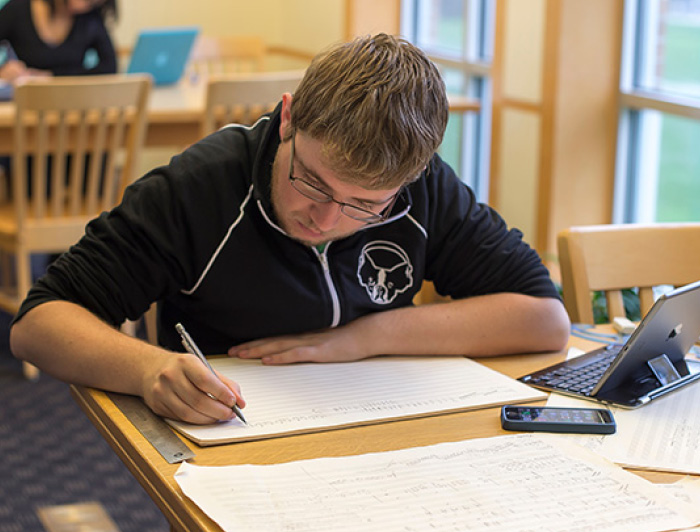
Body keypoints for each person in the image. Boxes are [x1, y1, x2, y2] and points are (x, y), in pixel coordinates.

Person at [10, 34, 570, 425]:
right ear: (288, 118)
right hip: (237, 434)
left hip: (383, 423)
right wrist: (147, 368)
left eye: (365, 205)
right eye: (313, 182)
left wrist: (362, 339)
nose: (325, 221)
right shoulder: (201, 187)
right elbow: (38, 323)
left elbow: (543, 320)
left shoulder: (421, 188)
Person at [0, 0, 118, 83]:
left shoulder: (90, 19)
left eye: (92, 3)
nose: (81, 5)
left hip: (71, 101)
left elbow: (109, 67)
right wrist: (2, 71)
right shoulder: (16, 9)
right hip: (21, 99)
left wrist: (52, 76)